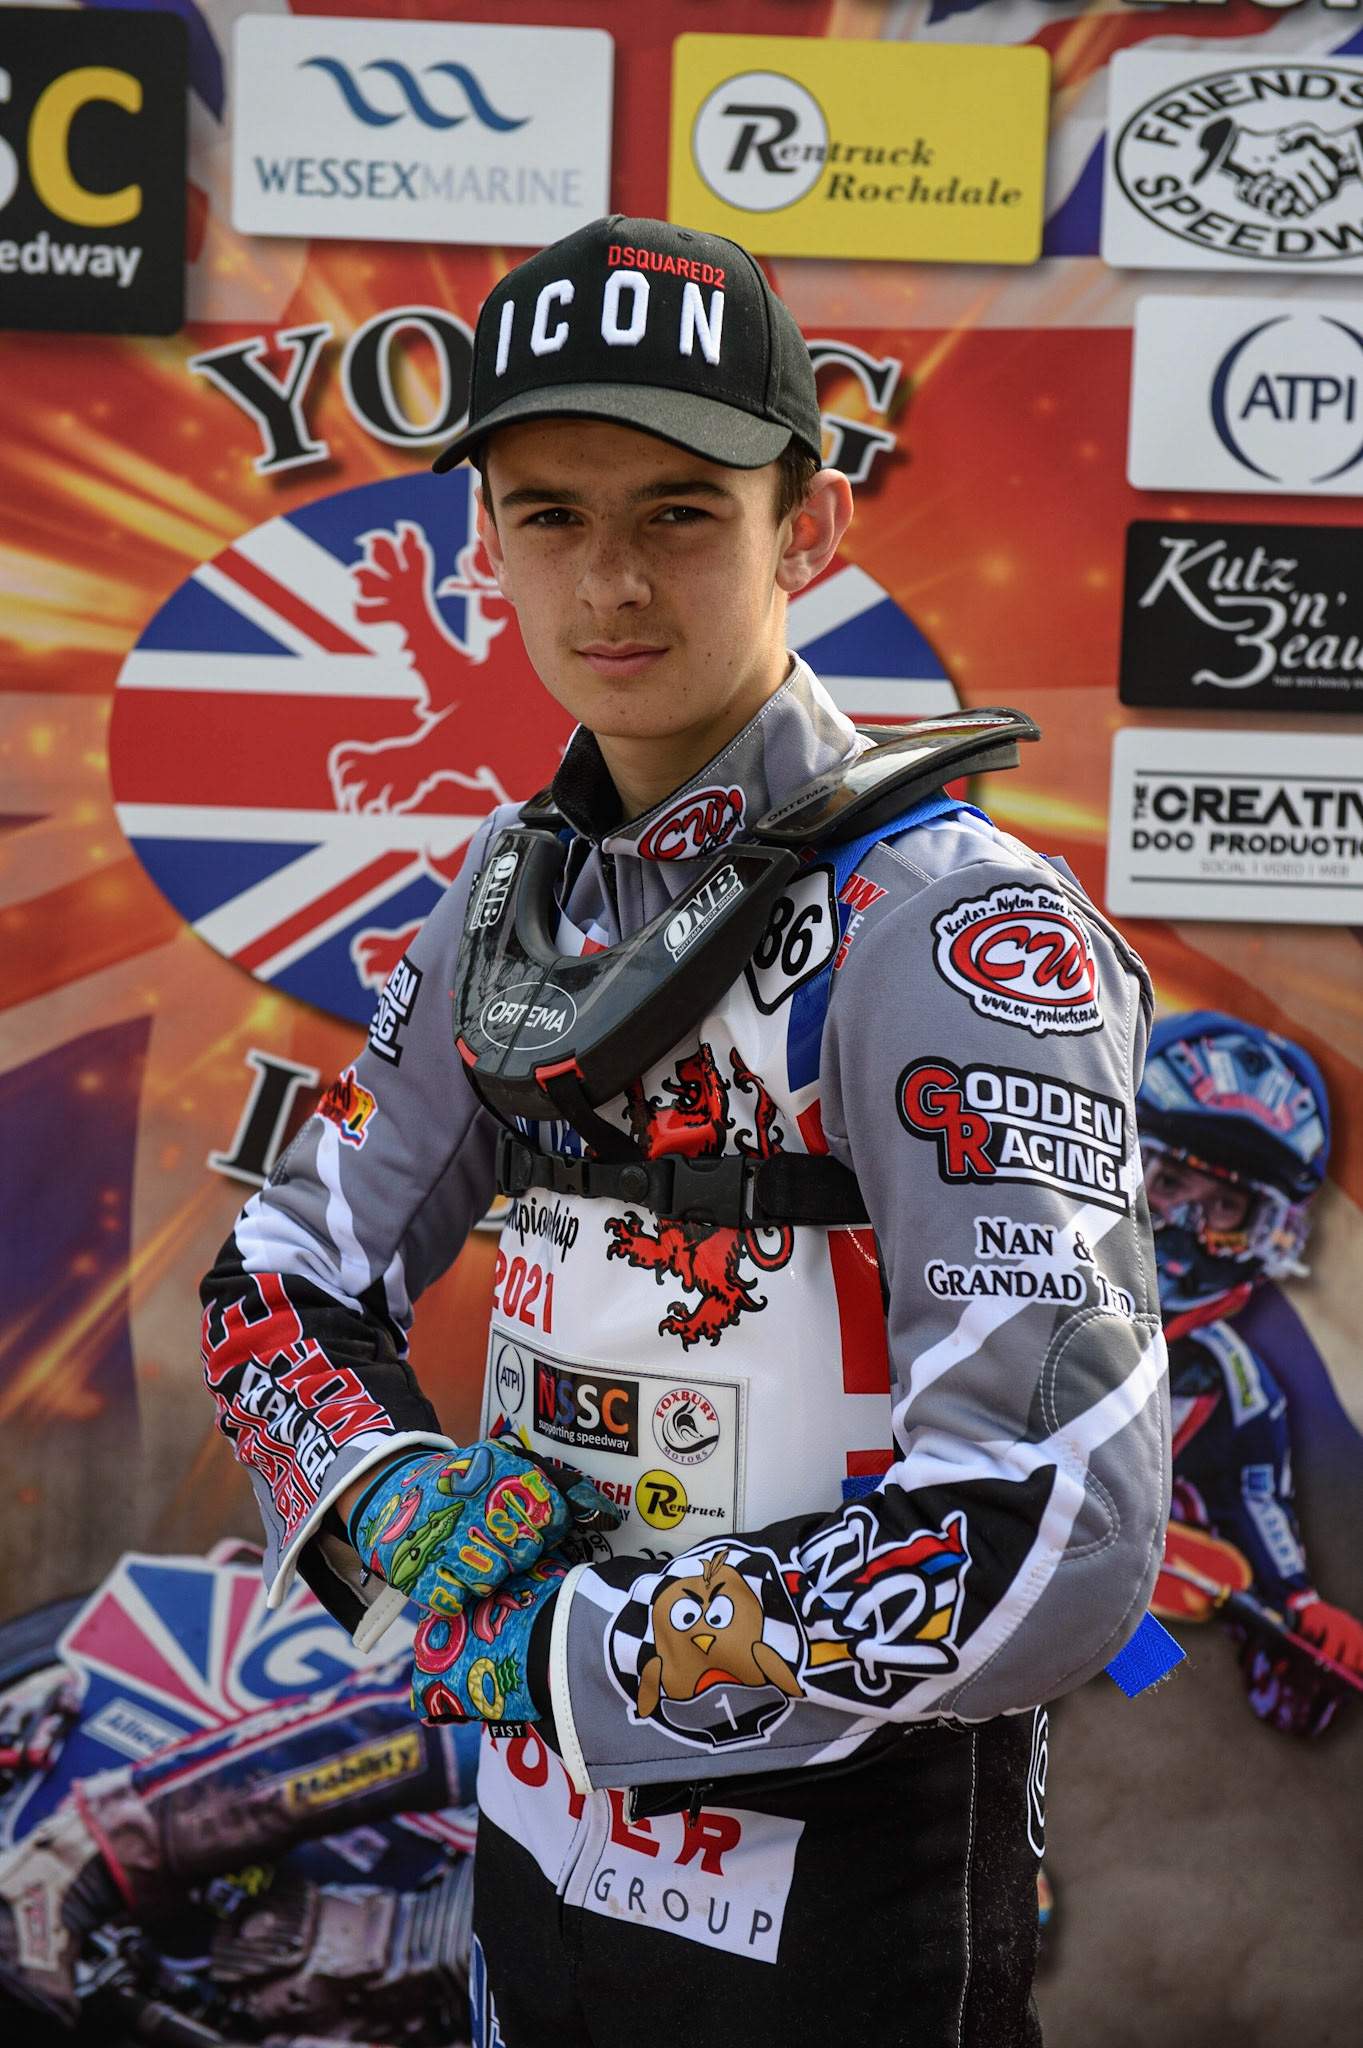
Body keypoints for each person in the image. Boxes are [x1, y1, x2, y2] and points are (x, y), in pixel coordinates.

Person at [200, 215, 1170, 2048]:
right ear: (482, 541)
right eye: (550, 515)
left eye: (678, 511)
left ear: (806, 524)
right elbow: (279, 1269)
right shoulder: (505, 898)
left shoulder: (943, 926)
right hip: (530, 1852)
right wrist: (385, 1493)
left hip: (836, 1887)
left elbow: (1061, 1510)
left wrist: (591, 1654)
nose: (610, 582)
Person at [1140, 1009, 1363, 1736]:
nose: (1185, 1225)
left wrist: (1302, 1620)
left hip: (1079, 1647)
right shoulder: (1004, 1284)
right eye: (1169, 1181)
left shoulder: (1236, 1390)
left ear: (1267, 1230)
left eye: (1226, 1206)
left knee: (1155, 1682)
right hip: (933, 1560)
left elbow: (1260, 1522)